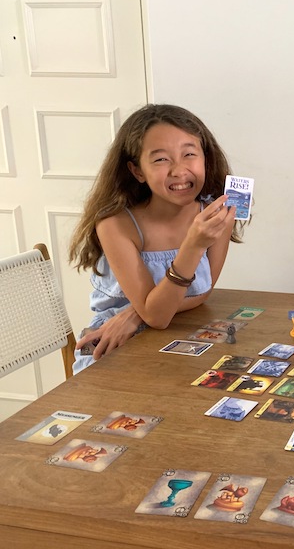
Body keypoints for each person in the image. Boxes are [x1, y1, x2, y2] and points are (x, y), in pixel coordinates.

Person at [69, 104, 244, 373]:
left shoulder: (215, 214)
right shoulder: (116, 225)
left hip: (175, 337)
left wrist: (136, 313)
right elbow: (158, 317)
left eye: (189, 154)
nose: (179, 169)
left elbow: (202, 292)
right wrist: (193, 245)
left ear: (205, 159)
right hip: (114, 345)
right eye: (161, 159)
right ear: (138, 171)